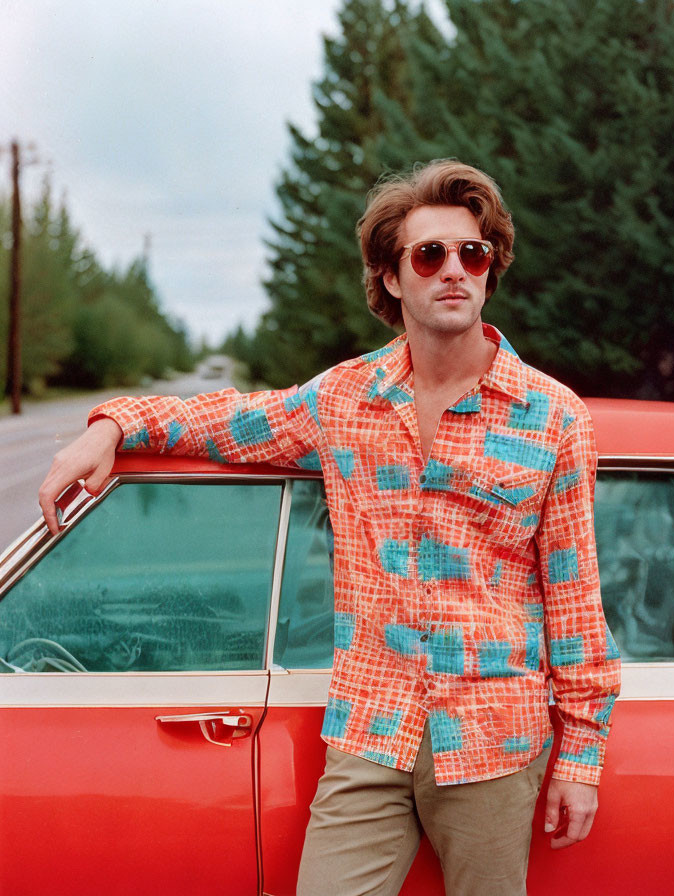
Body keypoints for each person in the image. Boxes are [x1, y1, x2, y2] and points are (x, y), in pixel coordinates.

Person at [39, 160, 621, 896]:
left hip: (494, 738)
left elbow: (574, 600)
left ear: (490, 268)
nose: (454, 271)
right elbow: (226, 420)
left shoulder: (555, 417)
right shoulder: (346, 398)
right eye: (429, 254)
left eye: (472, 254)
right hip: (370, 728)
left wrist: (581, 758)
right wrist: (114, 421)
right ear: (389, 276)